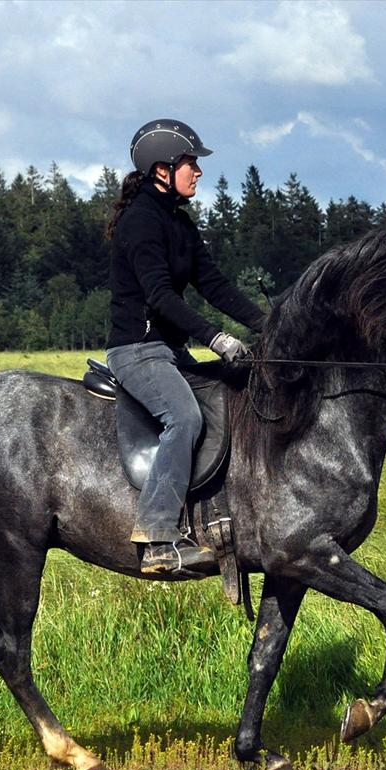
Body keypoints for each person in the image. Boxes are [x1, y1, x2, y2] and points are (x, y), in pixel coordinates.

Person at [105, 118, 265, 575]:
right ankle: (157, 538)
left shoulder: (179, 223)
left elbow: (214, 285)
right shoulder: (140, 223)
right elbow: (160, 297)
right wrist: (216, 337)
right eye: (191, 164)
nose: (198, 173)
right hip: (137, 350)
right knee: (185, 417)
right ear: (162, 168)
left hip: (171, 353)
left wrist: (269, 324)